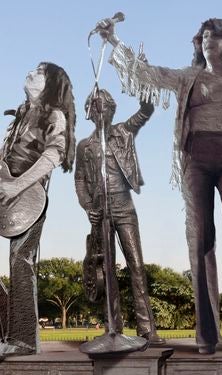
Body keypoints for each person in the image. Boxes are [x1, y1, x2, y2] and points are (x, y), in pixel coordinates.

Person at [97, 18, 222, 359]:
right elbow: (148, 74)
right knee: (200, 238)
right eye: (203, 38)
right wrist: (115, 42)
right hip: (196, 158)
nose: (206, 43)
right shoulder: (188, 77)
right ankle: (207, 335)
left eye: (214, 38)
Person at [74, 88, 164, 345]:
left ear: (112, 110)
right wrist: (87, 205)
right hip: (100, 211)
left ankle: (147, 329)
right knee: (106, 271)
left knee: (136, 266)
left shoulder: (124, 131)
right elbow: (79, 180)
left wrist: (145, 92)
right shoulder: (85, 146)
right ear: (91, 112)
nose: (102, 111)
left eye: (106, 107)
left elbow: (145, 112)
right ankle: (112, 326)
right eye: (97, 107)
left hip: (124, 205)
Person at [0, 62, 76, 356]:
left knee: (21, 262)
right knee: (18, 263)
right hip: (6, 191)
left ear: (52, 84)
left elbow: (53, 156)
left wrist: (16, 186)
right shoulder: (21, 114)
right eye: (30, 69)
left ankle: (23, 340)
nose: (30, 72)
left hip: (28, 198)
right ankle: (8, 328)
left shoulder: (54, 115)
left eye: (39, 72)